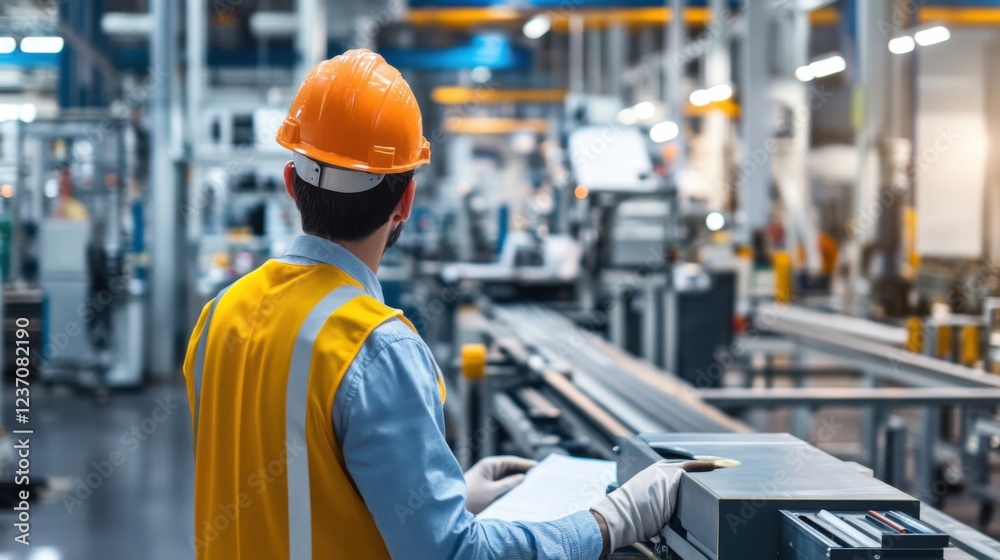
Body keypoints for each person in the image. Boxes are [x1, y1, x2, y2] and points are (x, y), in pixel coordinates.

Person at [183, 49, 706, 560]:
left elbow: (290, 489)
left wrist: (445, 499)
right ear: (405, 203)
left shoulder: (220, 314)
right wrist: (608, 523)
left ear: (291, 184)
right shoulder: (374, 348)